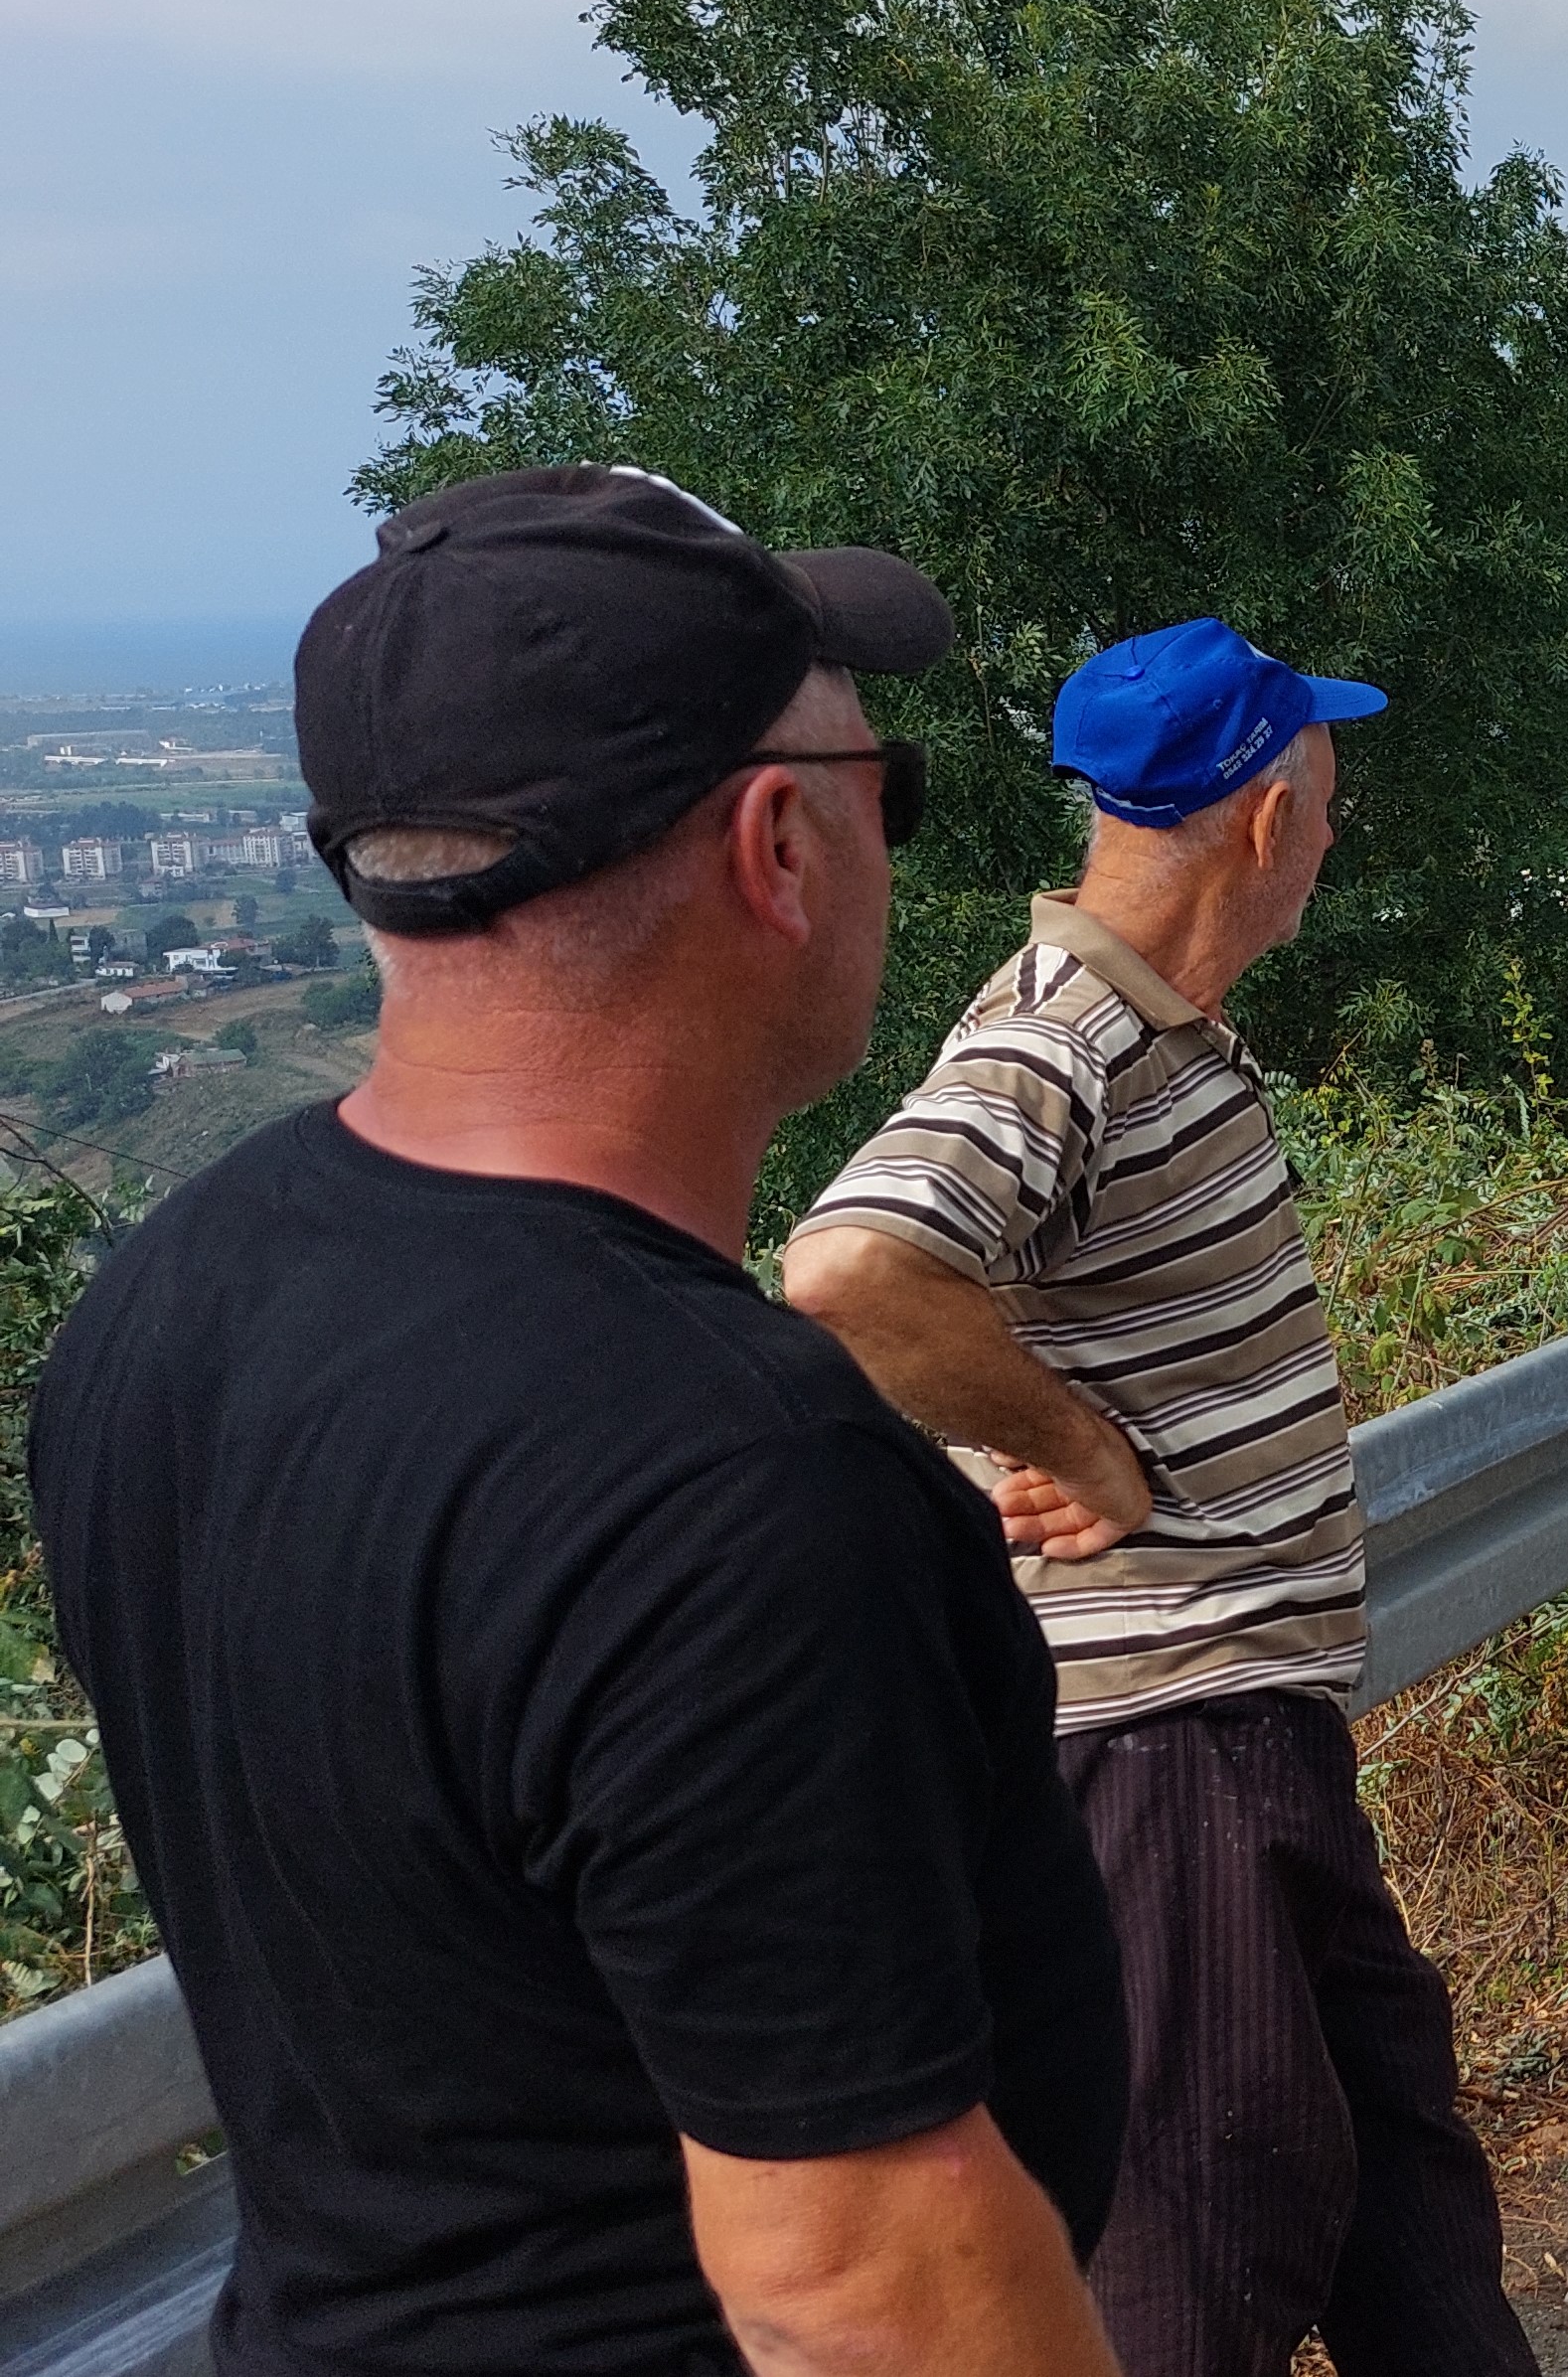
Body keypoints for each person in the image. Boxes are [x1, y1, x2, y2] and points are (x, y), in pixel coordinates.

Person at [34, 465, 1127, 2373]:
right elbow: (855, 2287)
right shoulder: (730, 1475)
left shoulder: (166, 1296)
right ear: (776, 844)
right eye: (893, 792)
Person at [783, 619, 1537, 2377]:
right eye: (1327, 805)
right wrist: (1083, 1444)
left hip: (1242, 1730)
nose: (1333, 841)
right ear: (1263, 822)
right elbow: (850, 1269)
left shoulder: (1158, 1027)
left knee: (1395, 2185)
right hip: (1155, 1747)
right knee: (1199, 2233)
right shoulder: (1063, 1041)